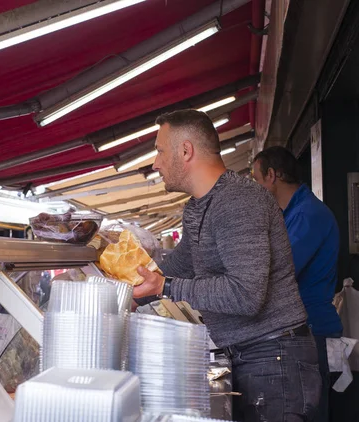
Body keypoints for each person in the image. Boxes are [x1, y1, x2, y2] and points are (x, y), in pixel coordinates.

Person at [133, 110, 320, 421]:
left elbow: (246, 294)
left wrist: (165, 287)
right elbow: (177, 266)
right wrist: (124, 281)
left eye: (160, 151)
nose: (155, 164)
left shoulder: (237, 201)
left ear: (185, 150)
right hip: (250, 357)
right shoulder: (198, 207)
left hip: (275, 362)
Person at [253, 146, 342, 422]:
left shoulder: (308, 214)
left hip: (313, 333)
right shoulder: (290, 214)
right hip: (299, 332)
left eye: (256, 179)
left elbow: (278, 271)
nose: (256, 188)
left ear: (272, 176)